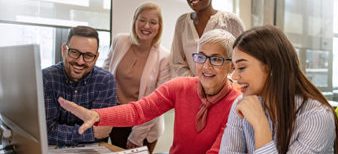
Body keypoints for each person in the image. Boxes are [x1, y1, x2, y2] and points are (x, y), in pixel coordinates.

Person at [58, 29, 240, 154]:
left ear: (231, 65)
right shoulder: (181, 86)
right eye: (201, 57)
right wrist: (97, 116)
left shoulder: (237, 103)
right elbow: (139, 111)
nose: (206, 66)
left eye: (216, 59)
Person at [220, 25, 338, 154]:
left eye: (242, 67)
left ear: (270, 67)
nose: (234, 76)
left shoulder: (316, 117)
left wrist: (260, 125)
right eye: (234, 68)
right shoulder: (242, 104)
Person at [103, 2, 170, 152]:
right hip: (117, 117)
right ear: (135, 20)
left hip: (145, 125)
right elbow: (104, 76)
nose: (146, 26)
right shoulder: (119, 41)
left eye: (153, 22)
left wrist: (137, 135)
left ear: (159, 27)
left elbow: (158, 102)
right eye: (142, 20)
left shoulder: (164, 57)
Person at [42, 26, 117, 146]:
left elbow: (102, 131)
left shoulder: (105, 81)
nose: (80, 61)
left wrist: (95, 132)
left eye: (88, 55)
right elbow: (46, 132)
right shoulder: (46, 78)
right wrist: (90, 133)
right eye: (74, 52)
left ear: (96, 57)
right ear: (64, 50)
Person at [171, 0, 244, 77]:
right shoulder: (182, 22)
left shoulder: (231, 22)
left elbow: (241, 60)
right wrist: (195, 83)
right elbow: (177, 62)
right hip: (191, 86)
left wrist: (222, 84)